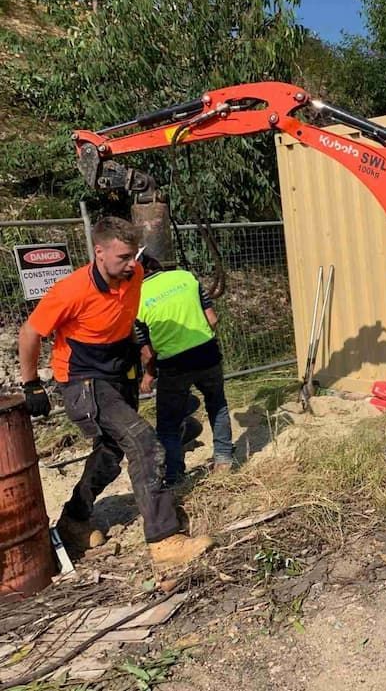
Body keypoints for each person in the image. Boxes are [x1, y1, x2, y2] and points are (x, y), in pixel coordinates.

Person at [18, 217, 213, 571]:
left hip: (118, 371)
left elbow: (124, 317)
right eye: (123, 256)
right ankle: (164, 539)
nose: (132, 264)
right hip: (82, 380)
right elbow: (29, 332)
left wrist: (142, 356)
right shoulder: (71, 290)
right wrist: (31, 383)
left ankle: (74, 522)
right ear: (99, 252)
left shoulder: (133, 275)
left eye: (133, 255)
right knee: (143, 442)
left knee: (109, 453)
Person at [136, 254, 234, 485]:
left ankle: (175, 476)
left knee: (168, 424)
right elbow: (212, 319)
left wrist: (149, 375)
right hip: (207, 353)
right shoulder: (186, 277)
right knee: (217, 405)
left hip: (173, 365)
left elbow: (147, 352)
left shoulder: (135, 300)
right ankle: (224, 459)